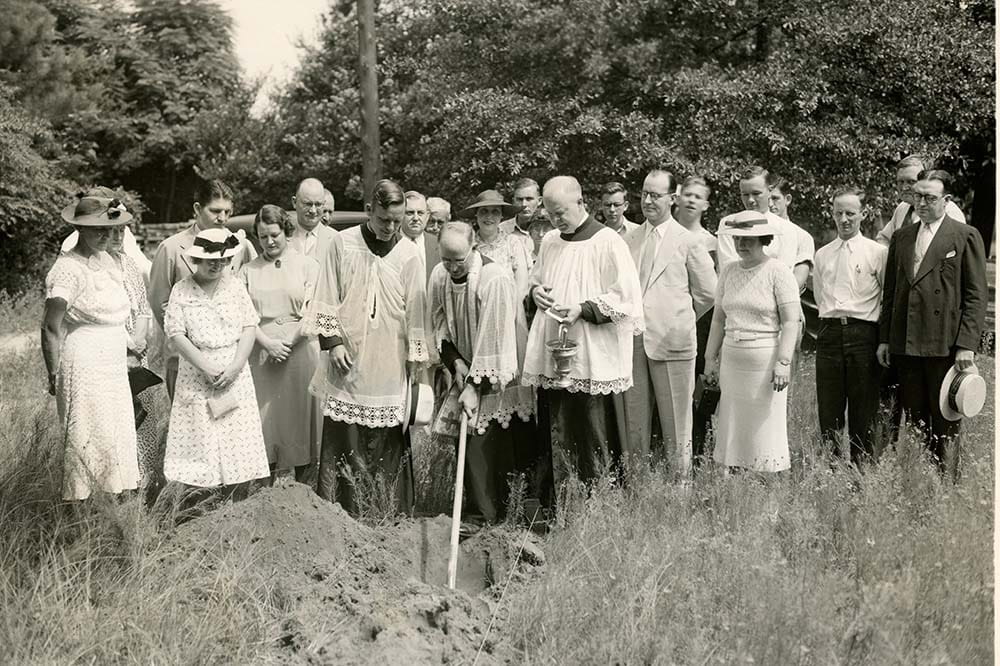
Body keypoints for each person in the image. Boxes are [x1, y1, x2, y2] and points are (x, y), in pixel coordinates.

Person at [303, 179, 431, 515]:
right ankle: (340, 512)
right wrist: (332, 344)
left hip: (390, 361)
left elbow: (417, 317)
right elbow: (326, 294)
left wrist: (415, 364)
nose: (391, 227)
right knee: (345, 436)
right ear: (369, 210)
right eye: (384, 219)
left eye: (397, 220)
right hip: (349, 358)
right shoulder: (342, 244)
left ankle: (385, 513)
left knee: (386, 441)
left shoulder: (409, 256)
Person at [522, 176, 643, 485]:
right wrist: (536, 292)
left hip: (593, 353)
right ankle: (561, 496)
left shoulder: (607, 241)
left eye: (560, 212)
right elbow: (536, 280)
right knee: (558, 427)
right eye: (549, 213)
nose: (554, 219)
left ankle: (601, 496)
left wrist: (583, 309)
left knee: (593, 429)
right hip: (556, 351)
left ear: (580, 202)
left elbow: (626, 297)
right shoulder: (549, 241)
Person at [877, 170, 987, 475]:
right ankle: (920, 480)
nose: (922, 203)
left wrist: (967, 345)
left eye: (930, 197)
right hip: (907, 343)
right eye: (917, 196)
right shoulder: (902, 237)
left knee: (945, 421)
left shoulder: (965, 236)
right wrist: (886, 338)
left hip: (945, 345)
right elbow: (891, 293)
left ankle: (947, 485)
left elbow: (976, 296)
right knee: (915, 420)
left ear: (946, 200)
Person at [430, 222, 536, 522]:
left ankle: (493, 515)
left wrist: (475, 386)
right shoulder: (440, 276)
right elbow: (438, 325)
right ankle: (475, 512)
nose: (452, 267)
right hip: (466, 364)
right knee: (467, 437)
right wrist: (456, 364)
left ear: (473, 247)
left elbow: (495, 339)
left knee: (490, 441)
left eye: (458, 260)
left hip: (499, 368)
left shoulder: (494, 279)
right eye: (446, 259)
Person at [42, 195, 139, 500]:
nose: (106, 236)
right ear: (79, 230)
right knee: (86, 431)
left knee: (113, 429)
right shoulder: (67, 269)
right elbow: (50, 326)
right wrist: (54, 373)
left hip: (112, 361)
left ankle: (111, 501)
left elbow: (115, 312)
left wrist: (129, 345)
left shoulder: (107, 260)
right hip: (83, 360)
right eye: (98, 230)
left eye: (110, 230)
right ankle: (79, 509)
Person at [622, 170, 716, 477]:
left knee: (677, 423)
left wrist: (678, 317)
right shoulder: (629, 238)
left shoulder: (688, 241)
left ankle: (680, 487)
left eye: (656, 195)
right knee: (635, 421)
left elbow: (707, 294)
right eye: (644, 194)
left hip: (673, 343)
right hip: (634, 343)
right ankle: (637, 483)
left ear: (672, 198)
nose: (648, 201)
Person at [162, 228, 269, 490]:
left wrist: (235, 367)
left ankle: (237, 497)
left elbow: (249, 326)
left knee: (236, 437)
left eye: (222, 261)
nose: (217, 265)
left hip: (235, 371)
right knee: (200, 437)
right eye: (211, 260)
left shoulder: (234, 286)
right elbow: (176, 333)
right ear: (196, 260)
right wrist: (206, 366)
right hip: (196, 372)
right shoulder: (182, 290)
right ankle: (198, 500)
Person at [704, 211, 799, 473]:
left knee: (764, 428)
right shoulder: (729, 271)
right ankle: (734, 480)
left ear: (763, 240)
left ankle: (767, 482)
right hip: (732, 361)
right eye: (737, 239)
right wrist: (709, 359)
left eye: (749, 239)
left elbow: (791, 322)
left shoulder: (778, 271)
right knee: (733, 423)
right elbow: (717, 319)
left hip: (765, 363)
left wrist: (783, 362)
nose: (742, 245)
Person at [148, 179, 256, 398]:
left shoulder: (239, 245)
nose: (222, 218)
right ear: (197, 208)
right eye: (215, 211)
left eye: (228, 211)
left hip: (232, 357)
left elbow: (247, 297)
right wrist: (192, 347)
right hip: (186, 358)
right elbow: (160, 302)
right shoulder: (171, 248)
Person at [239, 205, 323, 484]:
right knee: (267, 422)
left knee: (300, 421)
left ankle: (305, 490)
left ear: (286, 231)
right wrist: (266, 343)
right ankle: (264, 492)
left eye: (274, 235)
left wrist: (287, 341)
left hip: (299, 351)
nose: (270, 242)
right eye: (263, 237)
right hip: (262, 354)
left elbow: (313, 310)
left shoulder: (308, 265)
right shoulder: (247, 271)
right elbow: (241, 313)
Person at [812, 188, 887, 464]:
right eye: (838, 213)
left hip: (863, 334)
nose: (844, 219)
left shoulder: (877, 253)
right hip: (829, 332)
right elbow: (821, 296)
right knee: (829, 406)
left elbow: (885, 298)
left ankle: (861, 467)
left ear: (863, 215)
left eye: (850, 213)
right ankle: (830, 467)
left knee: (863, 406)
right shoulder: (823, 254)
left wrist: (882, 339)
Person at [107, 222, 167, 493]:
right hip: (109, 349)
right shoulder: (90, 265)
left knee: (141, 416)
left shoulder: (130, 264)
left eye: (122, 230)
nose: (118, 236)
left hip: (137, 351)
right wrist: (128, 342)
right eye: (112, 230)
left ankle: (142, 485)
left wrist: (139, 340)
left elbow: (143, 306)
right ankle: (113, 486)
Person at [674, 176, 719, 464]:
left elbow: (714, 294)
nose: (691, 200)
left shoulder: (711, 242)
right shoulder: (662, 233)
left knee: (697, 392)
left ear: (705, 204)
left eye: (697, 196)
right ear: (676, 197)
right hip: (666, 324)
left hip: (701, 324)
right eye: (687, 194)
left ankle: (698, 455)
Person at [60, 187, 152, 281]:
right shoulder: (72, 244)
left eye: (120, 228)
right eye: (101, 227)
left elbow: (144, 268)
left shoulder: (126, 235)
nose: (117, 236)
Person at [876, 156, 966, 248]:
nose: (904, 188)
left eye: (911, 181)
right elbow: (884, 239)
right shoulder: (903, 208)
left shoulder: (947, 210)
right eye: (901, 182)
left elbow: (956, 249)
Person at [461, 190, 534, 299]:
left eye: (495, 212)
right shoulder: (467, 245)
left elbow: (521, 287)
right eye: (484, 211)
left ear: (501, 216)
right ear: (476, 214)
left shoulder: (513, 243)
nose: (489, 217)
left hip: (508, 308)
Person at [289, 178, 339, 260]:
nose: (313, 210)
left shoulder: (336, 240)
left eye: (318, 204)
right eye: (308, 204)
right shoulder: (281, 236)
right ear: (294, 202)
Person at [402, 190, 441, 283]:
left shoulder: (439, 245)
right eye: (410, 213)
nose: (416, 218)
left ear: (427, 216)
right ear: (400, 214)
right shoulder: (389, 243)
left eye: (420, 213)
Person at [499, 177, 541, 257]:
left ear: (539, 201)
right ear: (513, 201)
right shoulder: (502, 230)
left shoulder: (549, 230)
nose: (524, 204)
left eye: (529, 199)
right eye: (519, 199)